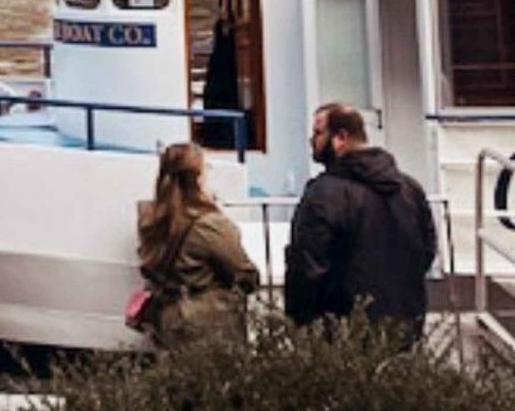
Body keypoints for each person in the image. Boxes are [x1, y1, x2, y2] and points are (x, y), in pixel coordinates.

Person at [285, 102, 438, 342]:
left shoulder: (324, 195)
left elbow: (307, 267)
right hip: (405, 325)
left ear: (340, 138)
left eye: (317, 133)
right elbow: (426, 251)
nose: (312, 141)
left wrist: (301, 320)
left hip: (344, 332)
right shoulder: (410, 189)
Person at [137, 142, 260, 347]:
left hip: (166, 317)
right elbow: (244, 273)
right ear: (197, 178)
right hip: (206, 324)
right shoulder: (209, 225)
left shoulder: (151, 218)